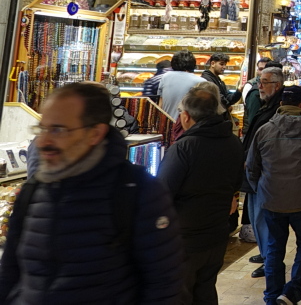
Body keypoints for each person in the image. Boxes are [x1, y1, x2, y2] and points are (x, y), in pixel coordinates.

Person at [0, 82, 182, 303]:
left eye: (58, 130)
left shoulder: (137, 192)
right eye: (42, 129)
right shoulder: (33, 191)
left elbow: (163, 286)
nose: (44, 141)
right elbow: (9, 274)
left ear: (95, 134)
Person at [159, 82, 244, 305]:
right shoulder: (233, 142)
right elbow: (237, 184)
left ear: (186, 116)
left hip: (186, 237)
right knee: (205, 290)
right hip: (216, 233)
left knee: (180, 294)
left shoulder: (184, 147)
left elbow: (162, 192)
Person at [247, 85, 301, 305]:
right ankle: (291, 290)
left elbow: (251, 167)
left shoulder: (264, 130)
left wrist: (262, 190)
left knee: (274, 247)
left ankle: (272, 296)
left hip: (272, 200)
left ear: (281, 104)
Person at [241, 66, 286, 275]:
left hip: (263, 174)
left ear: (276, 85)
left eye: (264, 82)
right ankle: (265, 253)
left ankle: (270, 260)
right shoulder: (266, 105)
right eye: (260, 81)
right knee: (255, 215)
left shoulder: (277, 109)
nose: (260, 86)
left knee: (262, 218)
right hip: (254, 171)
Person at [159, 49, 205, 117]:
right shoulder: (201, 82)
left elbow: (161, 104)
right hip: (187, 124)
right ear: (193, 64)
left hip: (166, 123)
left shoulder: (165, 77)